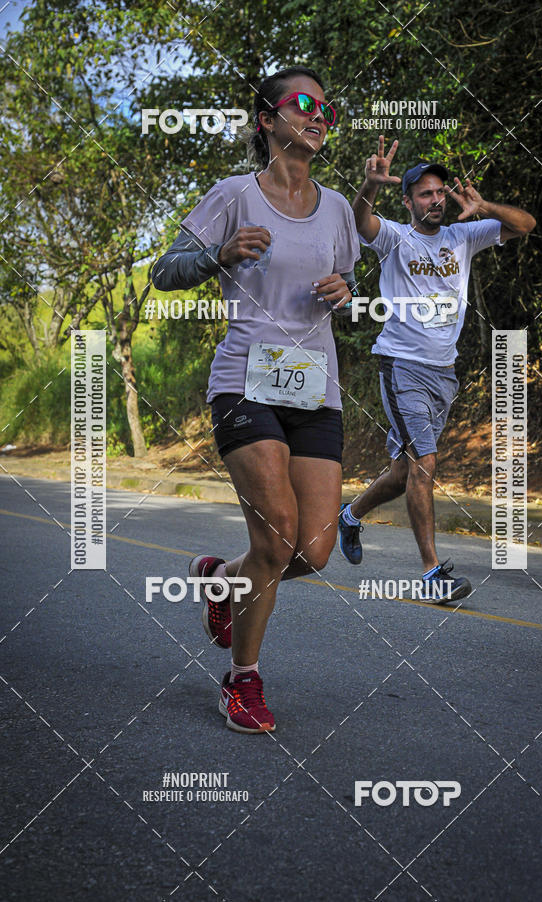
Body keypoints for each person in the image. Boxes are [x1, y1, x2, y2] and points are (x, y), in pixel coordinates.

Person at [152, 67, 360, 733]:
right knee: (275, 535)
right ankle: (242, 679)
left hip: (315, 384)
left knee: (314, 549)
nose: (318, 115)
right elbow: (164, 271)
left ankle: (220, 579)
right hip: (247, 378)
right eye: (304, 104)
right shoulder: (234, 194)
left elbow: (347, 275)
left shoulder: (335, 208)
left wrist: (343, 292)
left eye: (326, 107)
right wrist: (218, 254)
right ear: (267, 119)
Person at [338, 137, 535, 602]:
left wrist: (485, 205)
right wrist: (369, 181)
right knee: (424, 465)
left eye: (440, 192)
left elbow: (525, 225)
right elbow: (357, 221)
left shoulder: (463, 236)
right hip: (401, 366)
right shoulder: (394, 236)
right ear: (407, 201)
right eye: (425, 193)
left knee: (403, 474)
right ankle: (432, 575)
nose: (436, 199)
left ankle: (349, 516)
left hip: (444, 373)